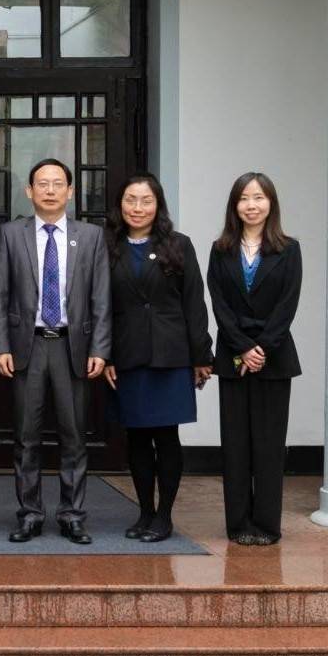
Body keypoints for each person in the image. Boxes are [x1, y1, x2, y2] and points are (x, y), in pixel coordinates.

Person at [0, 158, 110, 545]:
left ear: (70, 191)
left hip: (73, 347)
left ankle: (72, 515)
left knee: (73, 436)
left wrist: (100, 348)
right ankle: (30, 514)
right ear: (29, 191)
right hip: (28, 345)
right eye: (42, 183)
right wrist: (0, 345)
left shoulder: (91, 236)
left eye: (58, 183)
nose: (50, 190)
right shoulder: (11, 234)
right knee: (26, 437)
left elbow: (101, 298)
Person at [105, 173, 213, 544]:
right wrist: (105, 355)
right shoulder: (108, 245)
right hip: (127, 353)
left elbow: (194, 302)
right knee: (136, 437)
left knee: (166, 436)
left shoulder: (178, 244)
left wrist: (202, 355)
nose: (138, 208)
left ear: (158, 205)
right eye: (130, 200)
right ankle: (145, 512)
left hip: (171, 355)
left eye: (146, 200)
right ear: (120, 204)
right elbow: (100, 305)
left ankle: (164, 515)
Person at [207, 171, 303, 546]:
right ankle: (238, 524)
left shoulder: (289, 249)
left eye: (259, 198)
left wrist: (261, 347)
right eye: (244, 198)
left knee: (268, 445)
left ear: (271, 204)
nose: (252, 205)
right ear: (235, 206)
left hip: (274, 359)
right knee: (235, 445)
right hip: (233, 358)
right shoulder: (220, 250)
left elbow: (287, 305)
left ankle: (266, 525)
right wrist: (243, 347)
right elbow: (219, 305)